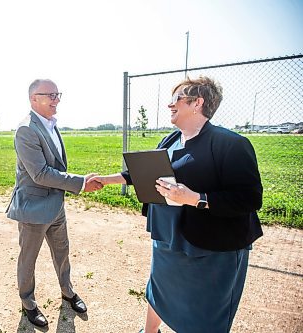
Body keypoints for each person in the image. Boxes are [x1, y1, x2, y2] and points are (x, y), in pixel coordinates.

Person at [90, 76, 263, 333]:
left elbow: (250, 198)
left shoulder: (231, 144)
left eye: (175, 99)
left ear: (197, 103)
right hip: (169, 236)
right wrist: (108, 180)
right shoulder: (171, 140)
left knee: (206, 311)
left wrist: (195, 199)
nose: (169, 105)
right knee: (159, 290)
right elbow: (146, 172)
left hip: (214, 247)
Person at [6, 79, 103, 327]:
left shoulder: (50, 125)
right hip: (34, 208)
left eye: (57, 94)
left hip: (56, 205)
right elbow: (40, 174)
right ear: (33, 99)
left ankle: (67, 291)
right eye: (50, 94)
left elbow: (57, 166)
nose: (56, 99)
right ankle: (28, 302)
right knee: (28, 259)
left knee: (62, 252)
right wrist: (81, 182)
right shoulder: (26, 129)